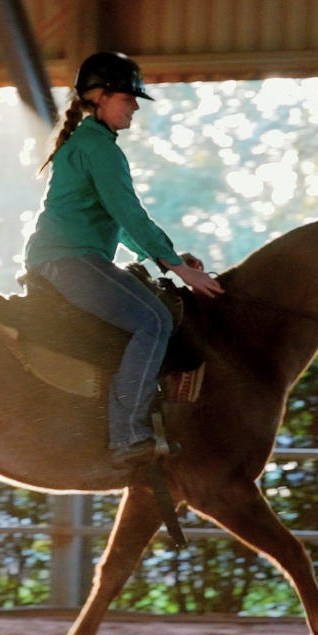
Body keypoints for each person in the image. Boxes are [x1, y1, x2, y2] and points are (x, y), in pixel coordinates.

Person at [23, 52, 224, 465]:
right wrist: (179, 268)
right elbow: (130, 213)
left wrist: (168, 257)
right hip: (70, 259)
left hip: (67, 256)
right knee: (154, 321)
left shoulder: (91, 143)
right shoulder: (100, 149)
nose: (134, 106)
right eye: (127, 98)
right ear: (99, 97)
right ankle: (129, 436)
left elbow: (125, 223)